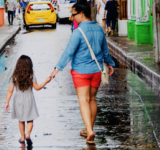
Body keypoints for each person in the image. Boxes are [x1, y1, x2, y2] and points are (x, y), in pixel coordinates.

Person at [50, 0, 115, 144]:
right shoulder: (99, 29)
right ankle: (89, 129)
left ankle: (90, 131)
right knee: (92, 99)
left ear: (81, 14)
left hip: (81, 72)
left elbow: (69, 52)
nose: (72, 18)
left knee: (83, 100)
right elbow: (105, 50)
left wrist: (57, 68)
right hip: (97, 71)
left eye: (73, 15)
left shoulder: (78, 32)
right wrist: (110, 64)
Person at [5, 55, 51, 146]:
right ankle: (28, 135)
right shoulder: (31, 76)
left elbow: (10, 90)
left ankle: (22, 137)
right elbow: (37, 88)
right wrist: (45, 81)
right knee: (30, 119)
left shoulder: (15, 76)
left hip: (18, 100)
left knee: (21, 120)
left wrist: (7, 102)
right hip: (29, 99)